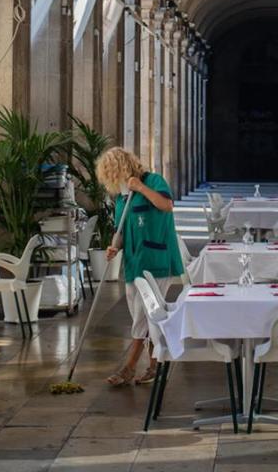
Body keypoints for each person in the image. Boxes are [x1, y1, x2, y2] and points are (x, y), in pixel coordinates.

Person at [96, 146, 185, 388]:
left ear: (123, 167)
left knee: (145, 315)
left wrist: (141, 188)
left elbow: (167, 205)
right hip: (134, 263)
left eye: (114, 173)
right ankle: (155, 365)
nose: (114, 180)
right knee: (144, 315)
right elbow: (121, 231)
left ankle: (129, 367)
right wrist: (114, 247)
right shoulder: (122, 198)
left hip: (157, 260)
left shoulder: (153, 181)